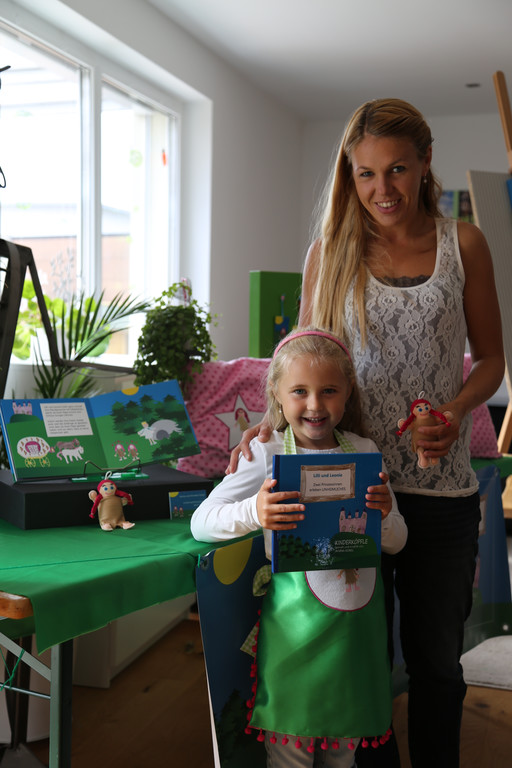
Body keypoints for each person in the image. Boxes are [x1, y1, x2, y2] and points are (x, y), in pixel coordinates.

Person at [229, 98, 504, 768]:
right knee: (363, 655)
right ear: (349, 176)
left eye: (398, 169)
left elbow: (493, 360)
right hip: (346, 485)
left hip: (441, 493)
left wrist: (456, 411)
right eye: (366, 173)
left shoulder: (464, 243)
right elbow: (303, 356)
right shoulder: (330, 253)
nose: (384, 189)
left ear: (425, 162)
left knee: (437, 663)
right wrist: (269, 418)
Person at [192, 328, 408, 768]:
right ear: (276, 392)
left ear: (347, 391)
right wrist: (255, 511)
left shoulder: (365, 451)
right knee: (290, 753)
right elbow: (202, 521)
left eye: (329, 391)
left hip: (355, 641)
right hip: (295, 637)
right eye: (299, 391)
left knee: (342, 756)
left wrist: (384, 515)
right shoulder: (265, 453)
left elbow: (398, 541)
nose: (314, 405)